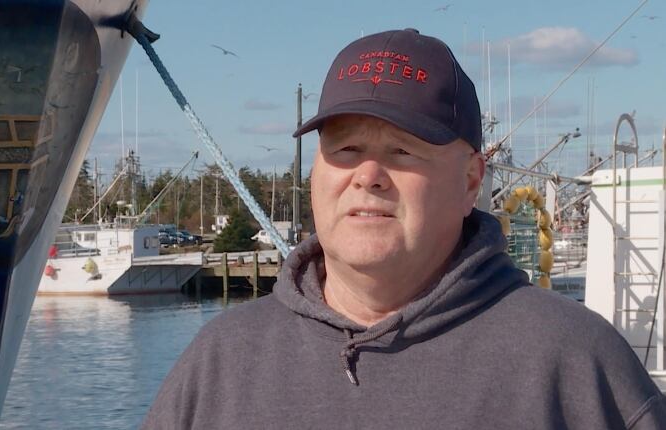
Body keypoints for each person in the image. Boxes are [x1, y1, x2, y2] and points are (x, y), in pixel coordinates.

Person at [142, 29, 666, 429]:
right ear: (315, 175)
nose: (367, 176)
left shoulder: (576, 361)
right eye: (345, 150)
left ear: (469, 181)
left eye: (402, 151)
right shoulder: (219, 362)